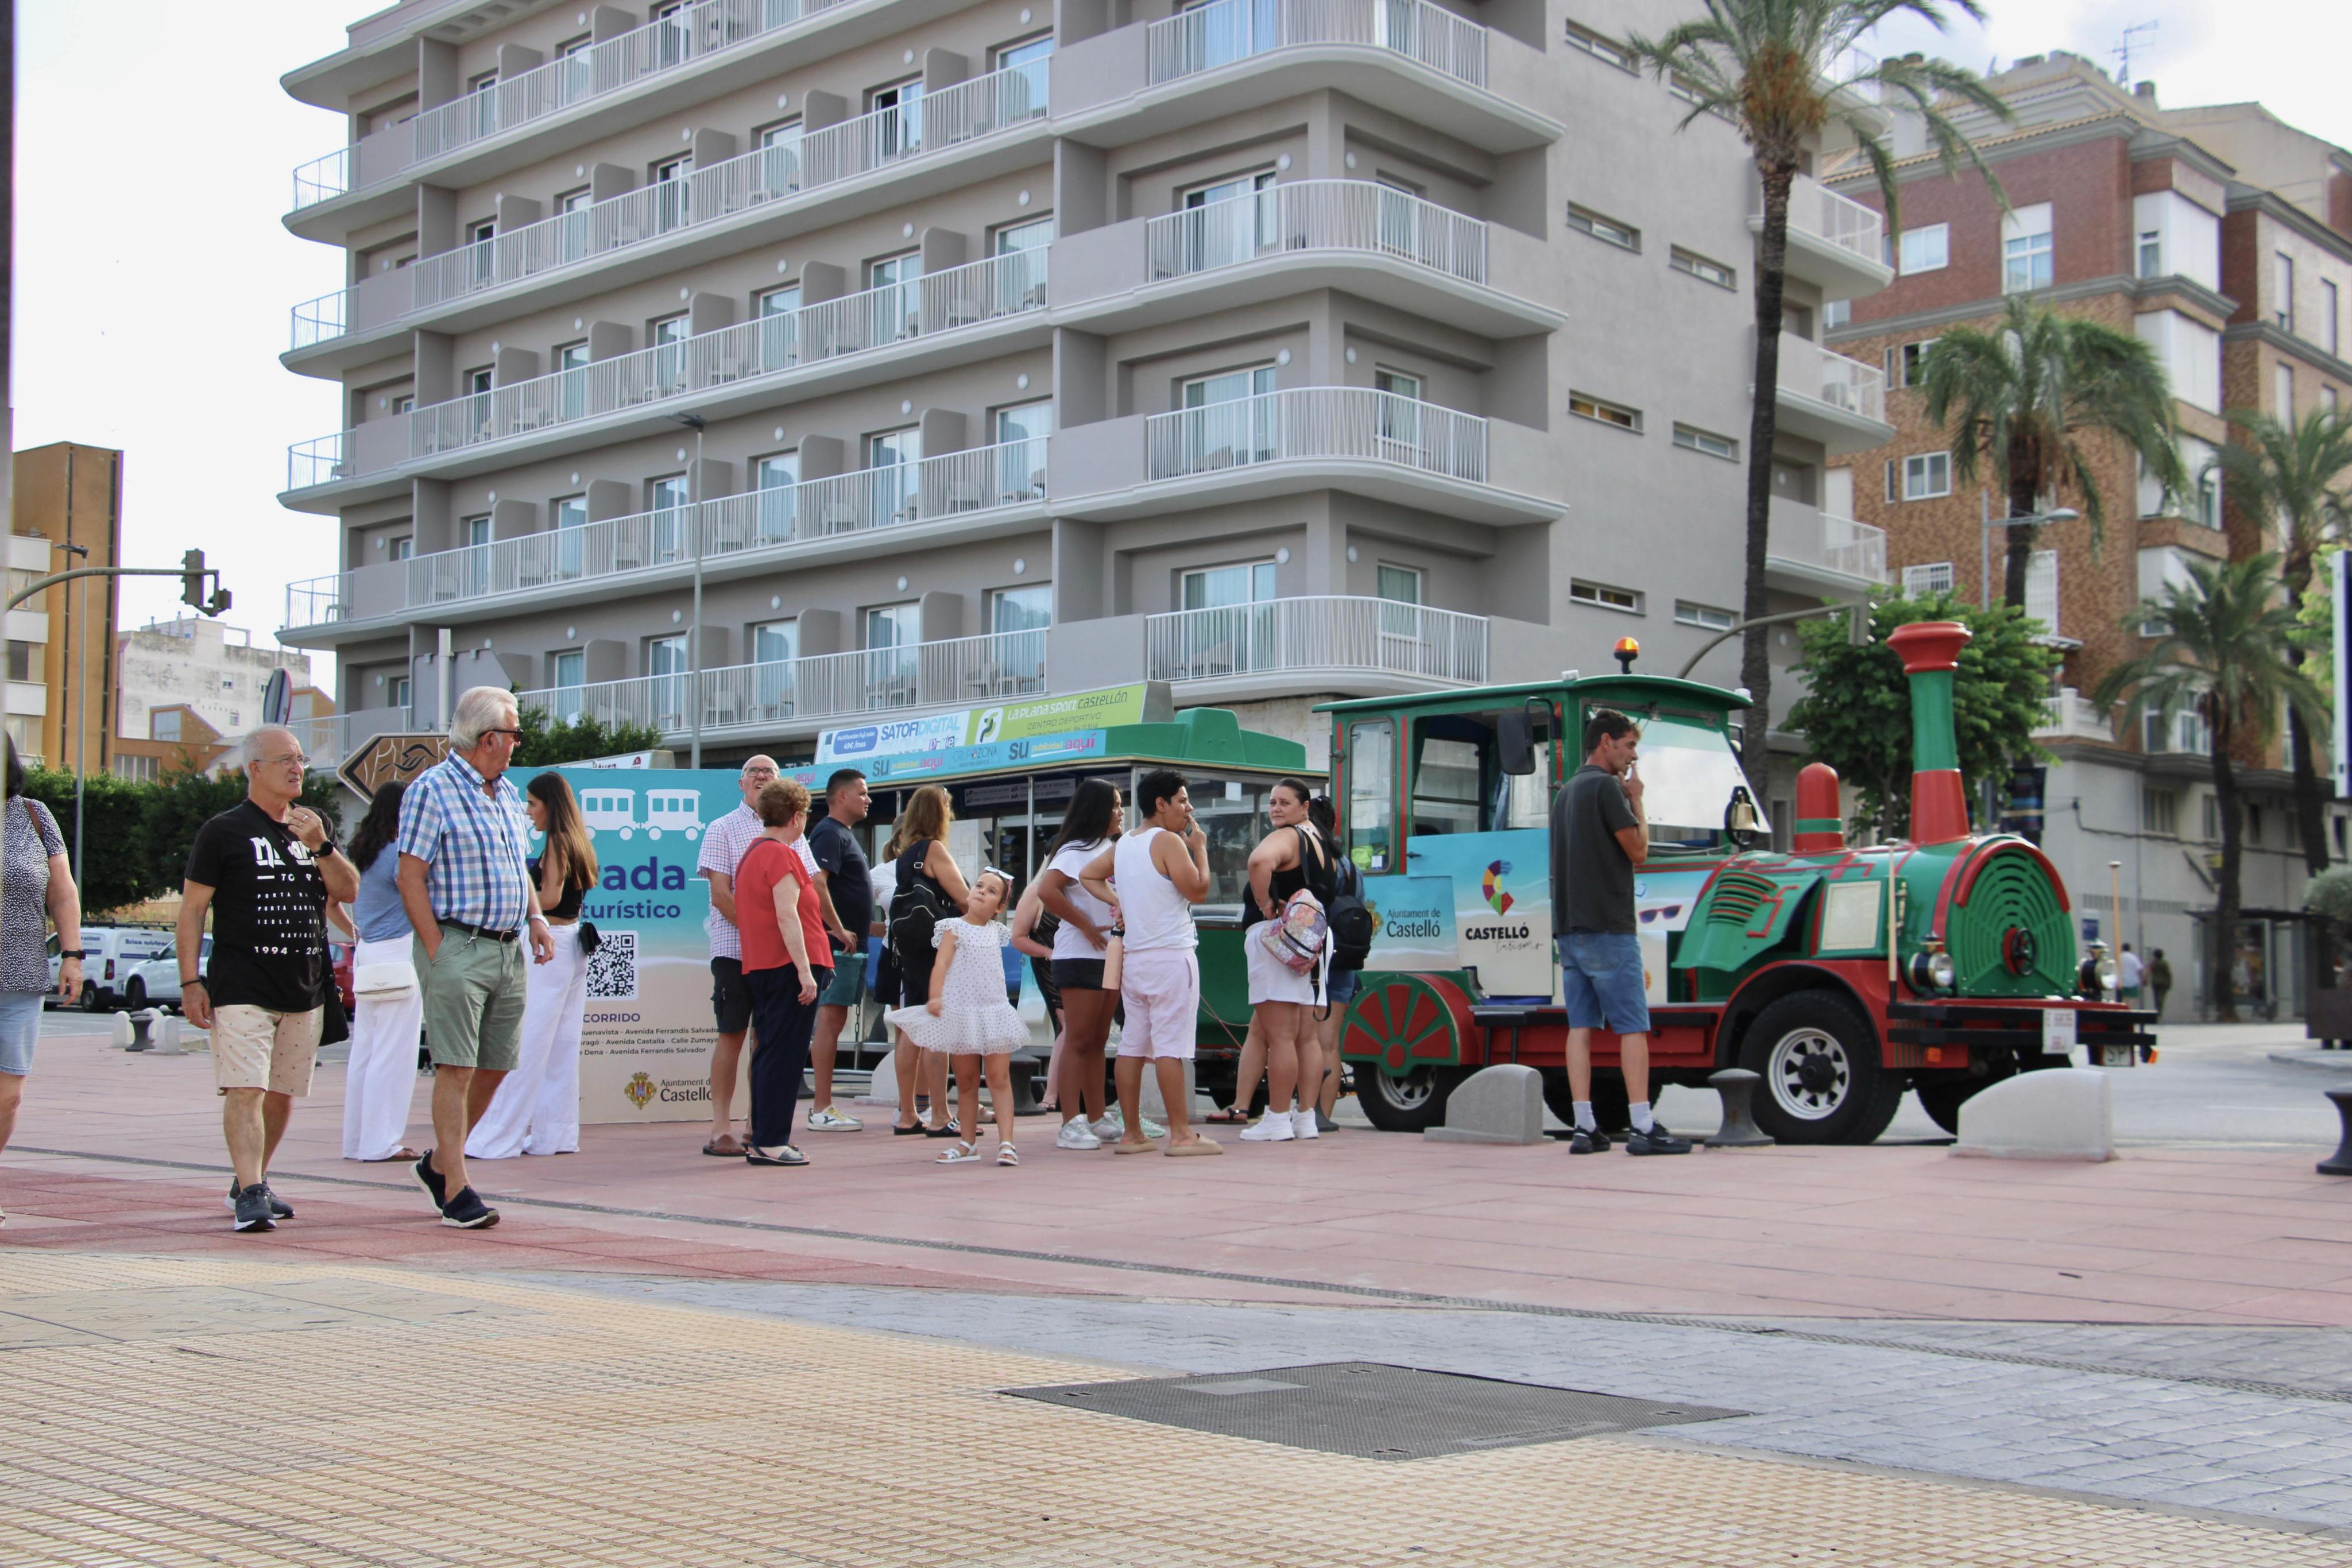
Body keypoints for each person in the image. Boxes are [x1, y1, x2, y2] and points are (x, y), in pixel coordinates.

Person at [181, 726, 361, 1232]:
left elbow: (346, 890)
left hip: (303, 980)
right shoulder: (223, 831)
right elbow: (193, 910)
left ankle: (250, 1179)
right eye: (285, 759)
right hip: (241, 981)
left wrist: (321, 845)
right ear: (254, 768)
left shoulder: (313, 826)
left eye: (301, 759)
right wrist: (191, 981)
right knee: (246, 1088)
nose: (297, 767)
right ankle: (252, 1194)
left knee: (282, 1093)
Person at [396, 687, 558, 1229]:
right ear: (489, 738)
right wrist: (437, 949)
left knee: (495, 1065)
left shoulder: (507, 793)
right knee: (457, 1066)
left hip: (509, 945)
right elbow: (410, 876)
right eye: (515, 734)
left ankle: (440, 1163)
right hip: (459, 943)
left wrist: (535, 917)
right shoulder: (431, 791)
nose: (517, 744)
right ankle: (457, 1186)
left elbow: (519, 869)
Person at [1551, 710, 1689, 1156]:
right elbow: (1639, 851)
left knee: (1580, 1027)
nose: (1633, 755)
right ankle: (1643, 1124)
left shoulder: (1566, 793)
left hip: (1570, 928)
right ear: (1606, 741)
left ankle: (1584, 1125)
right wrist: (1639, 801)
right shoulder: (1608, 788)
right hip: (1610, 925)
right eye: (1629, 745)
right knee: (1632, 1026)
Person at [1079, 768, 1219, 1156]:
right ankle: (1180, 1134)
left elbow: (1088, 874)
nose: (1188, 808)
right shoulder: (1169, 840)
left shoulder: (1124, 843)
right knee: (1170, 1047)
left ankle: (1132, 1133)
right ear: (1161, 804)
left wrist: (1118, 902)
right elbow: (1199, 890)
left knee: (1133, 1047)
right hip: (1171, 958)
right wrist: (1201, 848)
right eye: (1182, 800)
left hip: (1136, 960)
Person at [467, 772, 598, 1160]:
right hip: (571, 943)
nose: (528, 812)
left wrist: (512, 890)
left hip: (551, 945)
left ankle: (498, 1137)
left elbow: (550, 895)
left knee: (528, 1043)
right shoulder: (576, 840)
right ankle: (554, 1135)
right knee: (561, 1045)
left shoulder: (558, 842)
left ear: (550, 805)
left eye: (533, 804)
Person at [1036, 780, 1157, 1150]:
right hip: (1079, 954)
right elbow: (1047, 891)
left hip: (1111, 955)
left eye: (1122, 806)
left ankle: (1096, 1115)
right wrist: (1085, 924)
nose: (1122, 813)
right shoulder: (1075, 850)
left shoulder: (1113, 849)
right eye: (1116, 806)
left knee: (1099, 1040)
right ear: (1097, 810)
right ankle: (1070, 1121)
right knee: (1079, 1037)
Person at [887, 868, 1030, 1166]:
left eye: (991, 891)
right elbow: (940, 965)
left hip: (993, 1013)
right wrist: (936, 996)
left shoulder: (997, 932)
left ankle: (1007, 1143)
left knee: (999, 1078)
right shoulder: (953, 927)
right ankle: (967, 1143)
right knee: (966, 1081)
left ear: (1000, 907)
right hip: (962, 1014)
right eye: (979, 886)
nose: (981, 892)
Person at [0, 738, 83, 1225]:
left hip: (22, 976)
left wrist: (71, 954)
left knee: (9, 1094)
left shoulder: (33, 815)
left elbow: (63, 892)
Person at [734, 777, 829, 1166]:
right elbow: (788, 915)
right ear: (796, 816)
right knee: (784, 1055)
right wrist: (805, 971)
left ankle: (764, 1136)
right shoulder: (780, 854)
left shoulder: (753, 852)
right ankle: (772, 1140)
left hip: (764, 964)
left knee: (770, 1051)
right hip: (786, 967)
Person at [1239, 777, 1334, 1144]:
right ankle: (1305, 1117)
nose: (1276, 809)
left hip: (1281, 941)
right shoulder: (1319, 839)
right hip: (1313, 942)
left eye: (1285, 802)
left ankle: (1278, 1118)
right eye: (1272, 802)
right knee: (1306, 1038)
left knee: (1279, 1037)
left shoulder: (1291, 836)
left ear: (1305, 806)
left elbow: (1259, 860)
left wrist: (1265, 904)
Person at [695, 755, 780, 1156]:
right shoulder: (722, 828)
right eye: (754, 771)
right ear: (741, 783)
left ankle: (757, 1124)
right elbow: (720, 893)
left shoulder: (788, 830)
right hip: (733, 950)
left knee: (767, 1038)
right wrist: (757, 932)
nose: (762, 775)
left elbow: (806, 887)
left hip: (776, 955)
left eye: (770, 771)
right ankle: (719, 1127)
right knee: (733, 1034)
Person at [342, 781, 423, 1164]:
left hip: (369, 952)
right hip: (399, 951)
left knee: (367, 1051)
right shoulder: (397, 856)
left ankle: (358, 1140)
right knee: (394, 1053)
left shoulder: (365, 852)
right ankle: (382, 1142)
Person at [881, 785, 968, 1136]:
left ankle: (907, 1114)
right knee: (934, 1028)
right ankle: (941, 1115)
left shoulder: (906, 855)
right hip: (935, 949)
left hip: (910, 949)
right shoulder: (934, 849)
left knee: (912, 1029)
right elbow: (965, 898)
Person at [804, 768, 875, 1132]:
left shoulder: (842, 835)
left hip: (849, 945)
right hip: (837, 947)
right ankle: (822, 1107)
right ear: (842, 797)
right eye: (862, 793)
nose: (868, 799)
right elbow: (817, 883)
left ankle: (823, 1106)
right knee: (830, 1023)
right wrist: (836, 928)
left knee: (836, 1022)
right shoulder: (829, 834)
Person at [1309, 794, 1354, 1132]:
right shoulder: (1349, 865)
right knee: (1330, 1042)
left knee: (1309, 1040)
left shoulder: (1312, 858)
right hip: (1346, 959)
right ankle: (1324, 1114)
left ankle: (1308, 1111)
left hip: (1315, 958)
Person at [1009, 878, 1065, 1114]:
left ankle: (1062, 1092)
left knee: (1076, 1029)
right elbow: (1018, 938)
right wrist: (1048, 952)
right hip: (1052, 965)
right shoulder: (1037, 891)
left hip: (1083, 962)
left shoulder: (1083, 888)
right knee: (1069, 1026)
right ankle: (1052, 1092)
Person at [2149, 948, 2173, 1020]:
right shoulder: (2165, 963)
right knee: (2161, 998)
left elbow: (2150, 971)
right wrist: (2170, 983)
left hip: (2155, 982)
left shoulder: (2153, 963)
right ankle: (2159, 1012)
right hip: (2163, 982)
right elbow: (2168, 974)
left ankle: (2157, 1011)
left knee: (2156, 998)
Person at [2119, 942, 2144, 1006]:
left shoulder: (2119, 957)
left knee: (2122, 1000)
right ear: (2130, 949)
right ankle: (2129, 1009)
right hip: (2133, 982)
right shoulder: (2134, 958)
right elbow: (2140, 969)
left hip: (2121, 983)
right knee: (2133, 999)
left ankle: (2124, 1009)